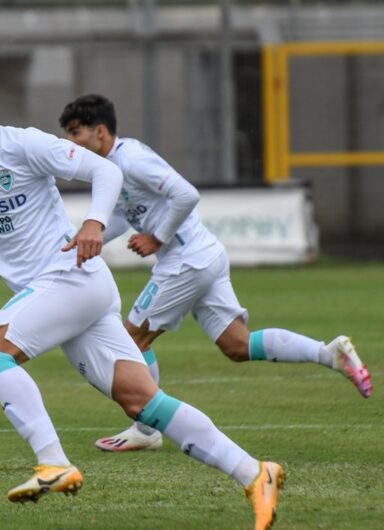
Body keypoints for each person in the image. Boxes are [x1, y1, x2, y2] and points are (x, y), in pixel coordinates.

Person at [0, 66, 283, 529]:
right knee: (143, 402)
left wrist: (95, 222)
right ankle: (255, 472)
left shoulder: (22, 145)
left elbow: (105, 169)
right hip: (70, 292)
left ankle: (53, 462)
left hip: (68, 277)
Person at [58, 94, 372, 454]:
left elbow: (186, 194)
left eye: (75, 132)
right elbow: (118, 216)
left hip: (186, 260)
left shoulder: (131, 159)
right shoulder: (113, 168)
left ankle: (146, 429)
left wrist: (157, 237)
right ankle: (329, 354)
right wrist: (85, 236)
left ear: (99, 131)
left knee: (130, 340)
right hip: (202, 255)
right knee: (237, 345)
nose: (71, 142)